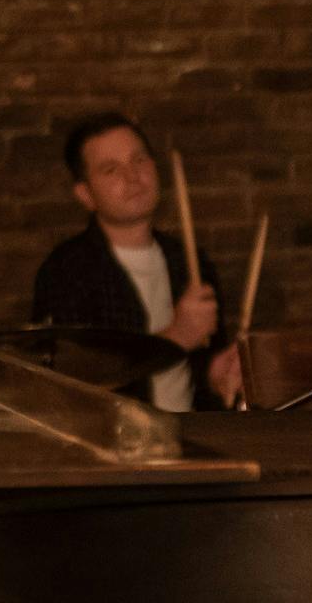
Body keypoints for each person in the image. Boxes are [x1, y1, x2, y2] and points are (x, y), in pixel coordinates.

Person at [30, 113, 243, 409]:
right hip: (115, 445)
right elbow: (71, 381)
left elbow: (197, 368)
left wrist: (216, 373)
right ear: (85, 194)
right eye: (111, 169)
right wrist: (174, 338)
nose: (132, 177)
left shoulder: (189, 260)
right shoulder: (66, 271)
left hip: (192, 438)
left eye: (139, 160)